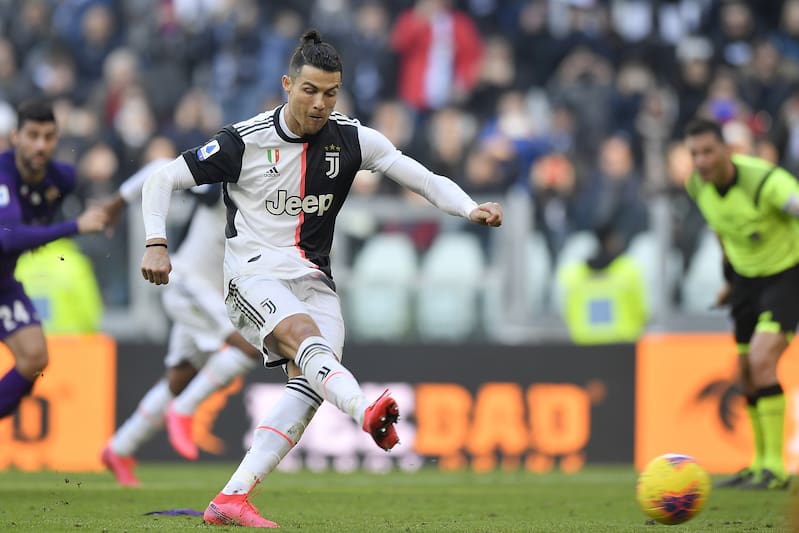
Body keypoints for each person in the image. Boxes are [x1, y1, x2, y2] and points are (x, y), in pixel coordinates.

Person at [139, 29, 503, 528]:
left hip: (313, 279)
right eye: (309, 91)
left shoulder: (351, 139)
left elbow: (418, 175)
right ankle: (365, 412)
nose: (319, 104)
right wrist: (156, 242)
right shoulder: (243, 142)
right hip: (251, 274)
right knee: (308, 345)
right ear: (288, 84)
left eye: (330, 94)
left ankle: (231, 499)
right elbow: (163, 178)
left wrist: (469, 207)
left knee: (312, 381)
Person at [98, 157, 263, 486]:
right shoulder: (221, 185)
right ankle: (185, 409)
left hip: (212, 296)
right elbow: (159, 169)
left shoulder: (272, 204)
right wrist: (117, 203)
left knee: (178, 377)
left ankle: (119, 448)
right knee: (249, 348)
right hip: (188, 286)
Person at [684, 117, 799, 490]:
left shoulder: (766, 182)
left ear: (726, 151)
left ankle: (777, 468)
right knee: (746, 371)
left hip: (787, 274)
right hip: (746, 281)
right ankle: (757, 464)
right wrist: (729, 281)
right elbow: (723, 230)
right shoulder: (697, 186)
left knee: (763, 358)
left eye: (708, 151)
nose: (701, 160)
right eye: (694, 153)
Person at [0, 98, 107, 419]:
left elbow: (88, 189)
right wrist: (76, 225)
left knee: (34, 358)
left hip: (3, 284)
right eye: (32, 135)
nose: (40, 145)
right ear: (16, 137)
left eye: (48, 137)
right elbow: (8, 237)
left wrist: (105, 213)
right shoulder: (2, 174)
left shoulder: (60, 178)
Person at [558, 222, 648, 345]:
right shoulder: (628, 270)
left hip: (584, 344)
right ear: (611, 240)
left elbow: (567, 312)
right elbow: (641, 311)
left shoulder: (574, 274)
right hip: (623, 346)